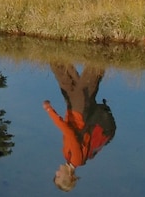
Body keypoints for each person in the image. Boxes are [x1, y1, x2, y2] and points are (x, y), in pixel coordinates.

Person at [43, 63, 116, 192]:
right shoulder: (76, 159)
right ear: (67, 176)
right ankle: (103, 51)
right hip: (80, 111)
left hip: (73, 109)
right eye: (58, 176)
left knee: (64, 78)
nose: (57, 172)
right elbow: (69, 132)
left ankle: (56, 54)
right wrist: (49, 110)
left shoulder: (67, 155)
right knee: (91, 75)